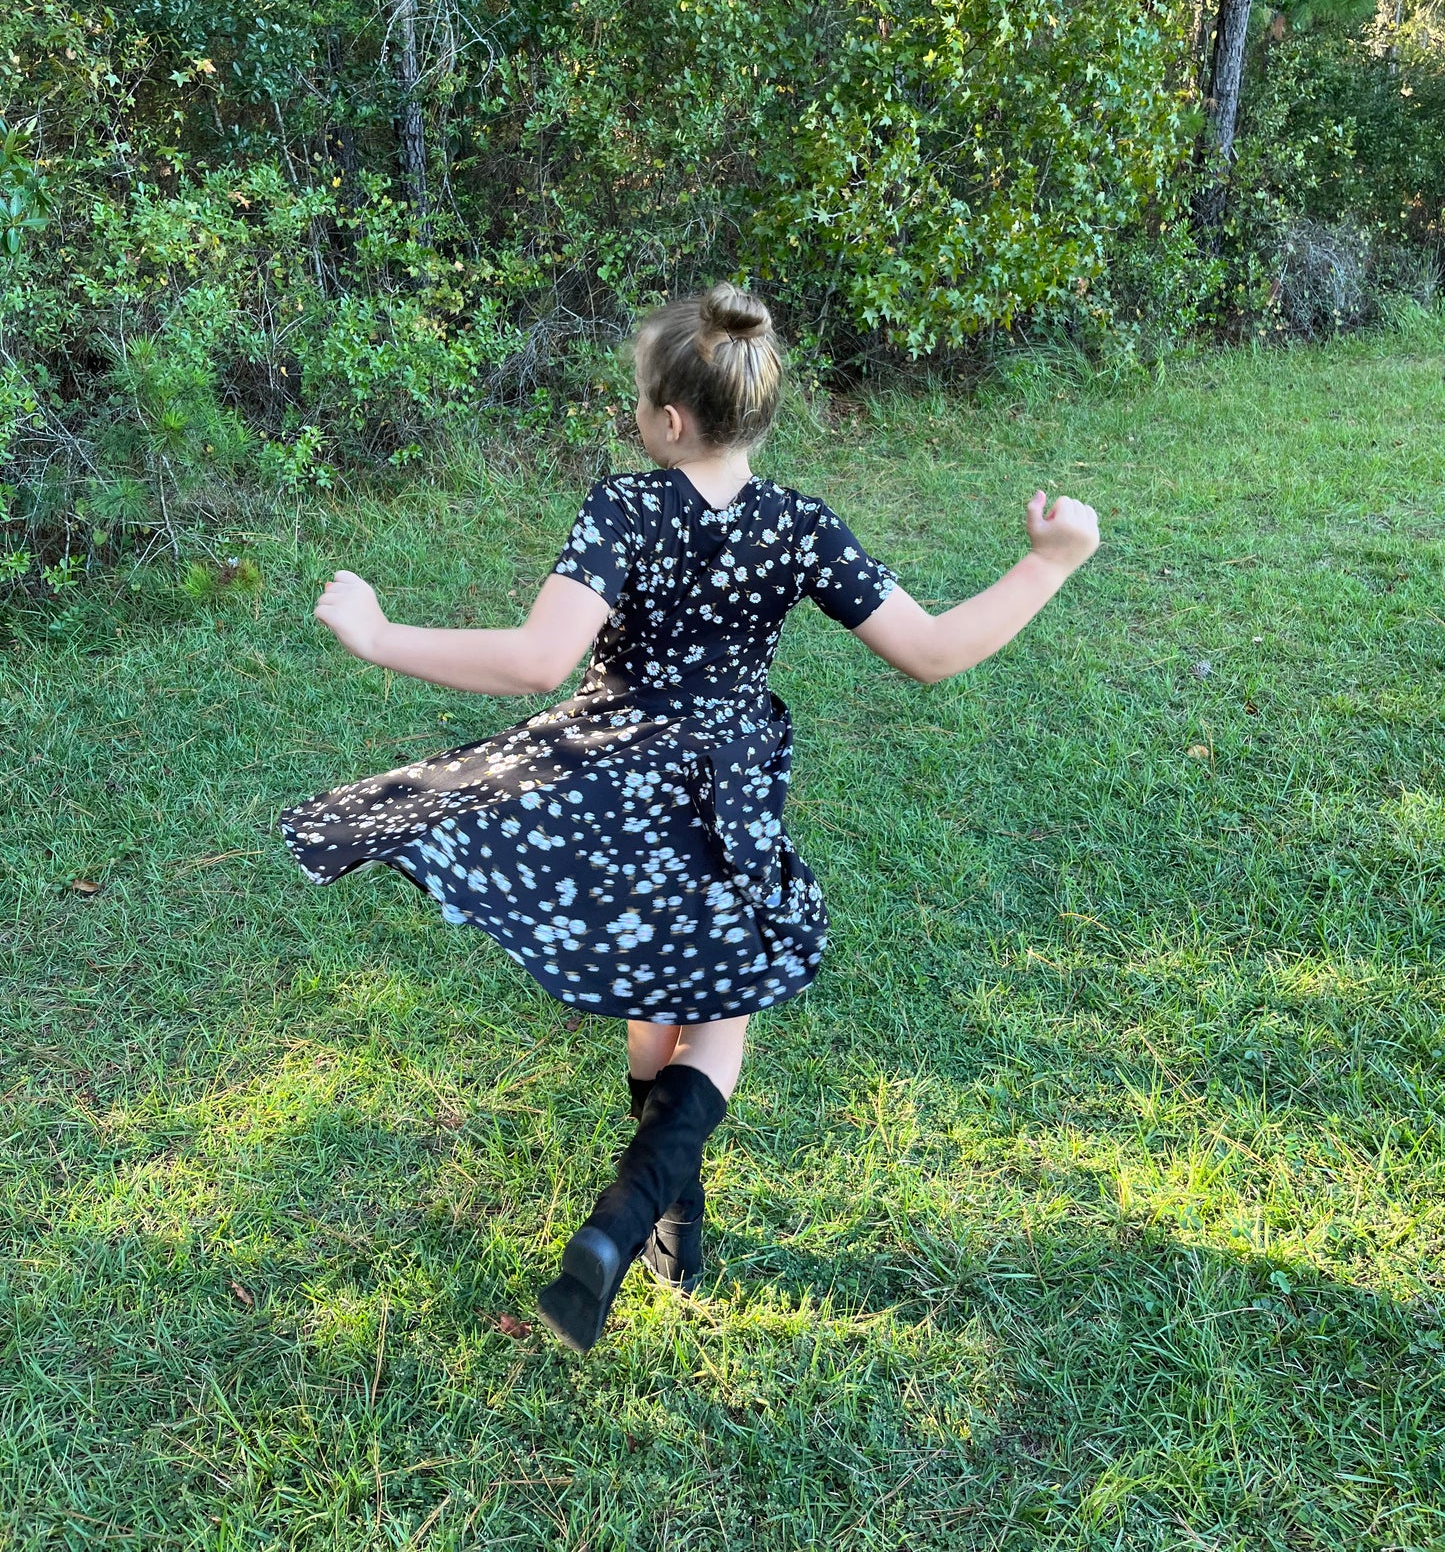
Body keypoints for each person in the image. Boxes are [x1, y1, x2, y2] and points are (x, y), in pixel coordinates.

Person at [280, 283, 1100, 1351]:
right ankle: (640, 1220)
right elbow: (933, 651)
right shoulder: (797, 524)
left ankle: (646, 1225)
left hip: (614, 776)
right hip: (729, 793)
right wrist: (1049, 561)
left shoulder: (624, 507)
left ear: (668, 418)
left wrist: (381, 632)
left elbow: (539, 659)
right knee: (720, 1004)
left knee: (659, 988)